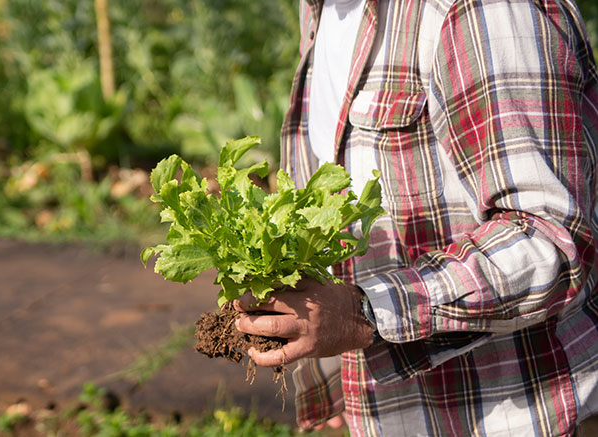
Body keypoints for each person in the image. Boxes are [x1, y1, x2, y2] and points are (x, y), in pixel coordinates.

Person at [233, 0, 598, 435]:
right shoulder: (321, 9)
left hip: (522, 413)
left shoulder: (480, 10)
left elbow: (546, 240)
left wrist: (362, 314)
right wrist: (332, 382)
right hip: (395, 411)